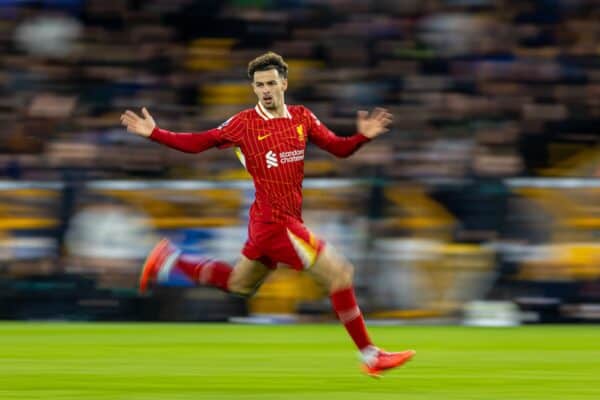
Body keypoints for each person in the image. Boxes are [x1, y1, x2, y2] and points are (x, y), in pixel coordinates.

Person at [120, 52, 415, 377]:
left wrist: (362, 138)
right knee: (340, 272)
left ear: (284, 83)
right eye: (259, 84)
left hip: (273, 222)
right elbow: (198, 142)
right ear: (254, 88)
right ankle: (370, 355)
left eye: (271, 83)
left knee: (239, 284)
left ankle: (170, 261)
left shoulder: (303, 117)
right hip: (275, 223)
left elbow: (338, 148)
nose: (265, 90)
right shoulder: (244, 123)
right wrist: (155, 133)